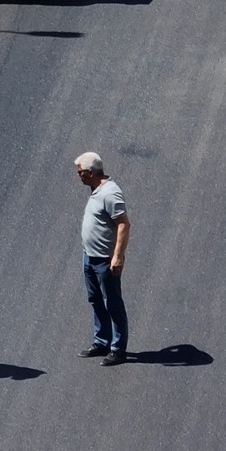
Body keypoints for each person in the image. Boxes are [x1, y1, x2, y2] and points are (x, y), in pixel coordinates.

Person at [75, 151, 129, 366]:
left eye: (80, 172)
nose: (78, 176)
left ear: (90, 173)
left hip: (105, 260)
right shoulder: (96, 189)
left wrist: (117, 256)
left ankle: (118, 349)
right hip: (89, 256)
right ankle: (101, 341)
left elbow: (124, 224)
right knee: (95, 299)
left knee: (113, 303)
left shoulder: (110, 193)